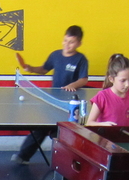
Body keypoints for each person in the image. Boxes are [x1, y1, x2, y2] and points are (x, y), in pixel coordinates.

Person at [11, 25, 90, 164]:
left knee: (62, 131)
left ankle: (67, 160)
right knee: (42, 127)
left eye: (71, 42)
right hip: (53, 99)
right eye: (65, 40)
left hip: (70, 103)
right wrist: (31, 68)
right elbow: (44, 69)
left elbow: (83, 79)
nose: (67, 44)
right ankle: (23, 156)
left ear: (79, 43)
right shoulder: (55, 55)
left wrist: (72, 85)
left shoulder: (81, 59)